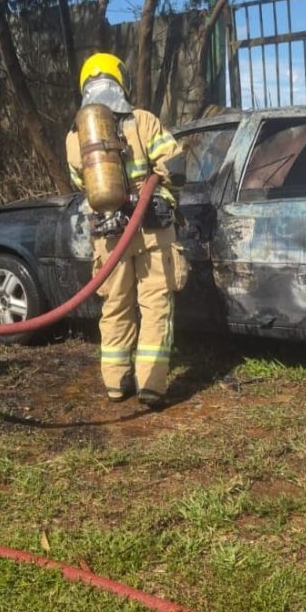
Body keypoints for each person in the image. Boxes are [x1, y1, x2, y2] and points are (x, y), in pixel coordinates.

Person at [65, 53, 185, 409]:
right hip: (151, 233)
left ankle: (116, 385)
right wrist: (158, 189)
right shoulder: (143, 121)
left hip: (108, 237)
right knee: (155, 307)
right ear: (121, 80)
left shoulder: (75, 137)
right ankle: (150, 386)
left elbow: (78, 182)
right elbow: (174, 166)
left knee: (115, 308)